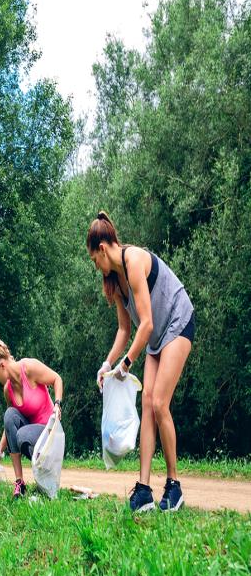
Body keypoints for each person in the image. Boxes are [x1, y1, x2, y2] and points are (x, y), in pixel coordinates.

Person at [87, 211, 195, 512]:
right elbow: (125, 329)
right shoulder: (114, 282)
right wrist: (108, 364)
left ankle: (174, 486)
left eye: (94, 259)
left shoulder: (134, 260)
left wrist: (126, 365)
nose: (95, 266)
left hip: (177, 320)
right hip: (157, 337)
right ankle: (144, 488)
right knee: (146, 402)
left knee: (159, 402)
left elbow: (145, 324)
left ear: (103, 248)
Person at [0, 328, 63, 499]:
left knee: (22, 434)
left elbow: (57, 379)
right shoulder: (8, 390)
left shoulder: (28, 368)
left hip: (51, 436)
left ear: (2, 365)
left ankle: (47, 478)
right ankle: (20, 483)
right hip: (31, 439)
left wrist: (57, 404)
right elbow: (9, 425)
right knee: (9, 414)